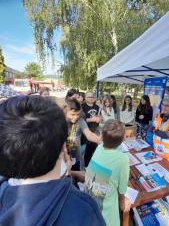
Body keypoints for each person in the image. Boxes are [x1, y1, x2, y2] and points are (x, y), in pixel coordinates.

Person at [0, 96, 105, 226]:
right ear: (63, 147)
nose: (75, 117)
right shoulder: (85, 209)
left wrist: (71, 174)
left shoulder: (4, 190)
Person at [84, 120, 131, 226]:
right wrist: (122, 200)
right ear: (123, 139)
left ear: (101, 136)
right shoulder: (123, 159)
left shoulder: (99, 148)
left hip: (91, 203)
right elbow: (122, 188)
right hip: (106, 214)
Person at [65, 99, 101, 171]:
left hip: (77, 158)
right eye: (72, 114)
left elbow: (89, 134)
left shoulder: (80, 121)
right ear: (65, 112)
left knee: (79, 177)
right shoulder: (60, 122)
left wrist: (101, 141)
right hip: (64, 160)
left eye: (78, 114)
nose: (75, 117)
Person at [82, 92, 102, 167]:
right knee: (87, 151)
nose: (90, 98)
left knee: (95, 149)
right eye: (88, 97)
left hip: (96, 131)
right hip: (87, 131)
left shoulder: (97, 106)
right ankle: (86, 167)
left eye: (92, 97)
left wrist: (99, 118)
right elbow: (81, 120)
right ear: (85, 98)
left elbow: (99, 116)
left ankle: (94, 165)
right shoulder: (82, 107)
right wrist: (92, 119)